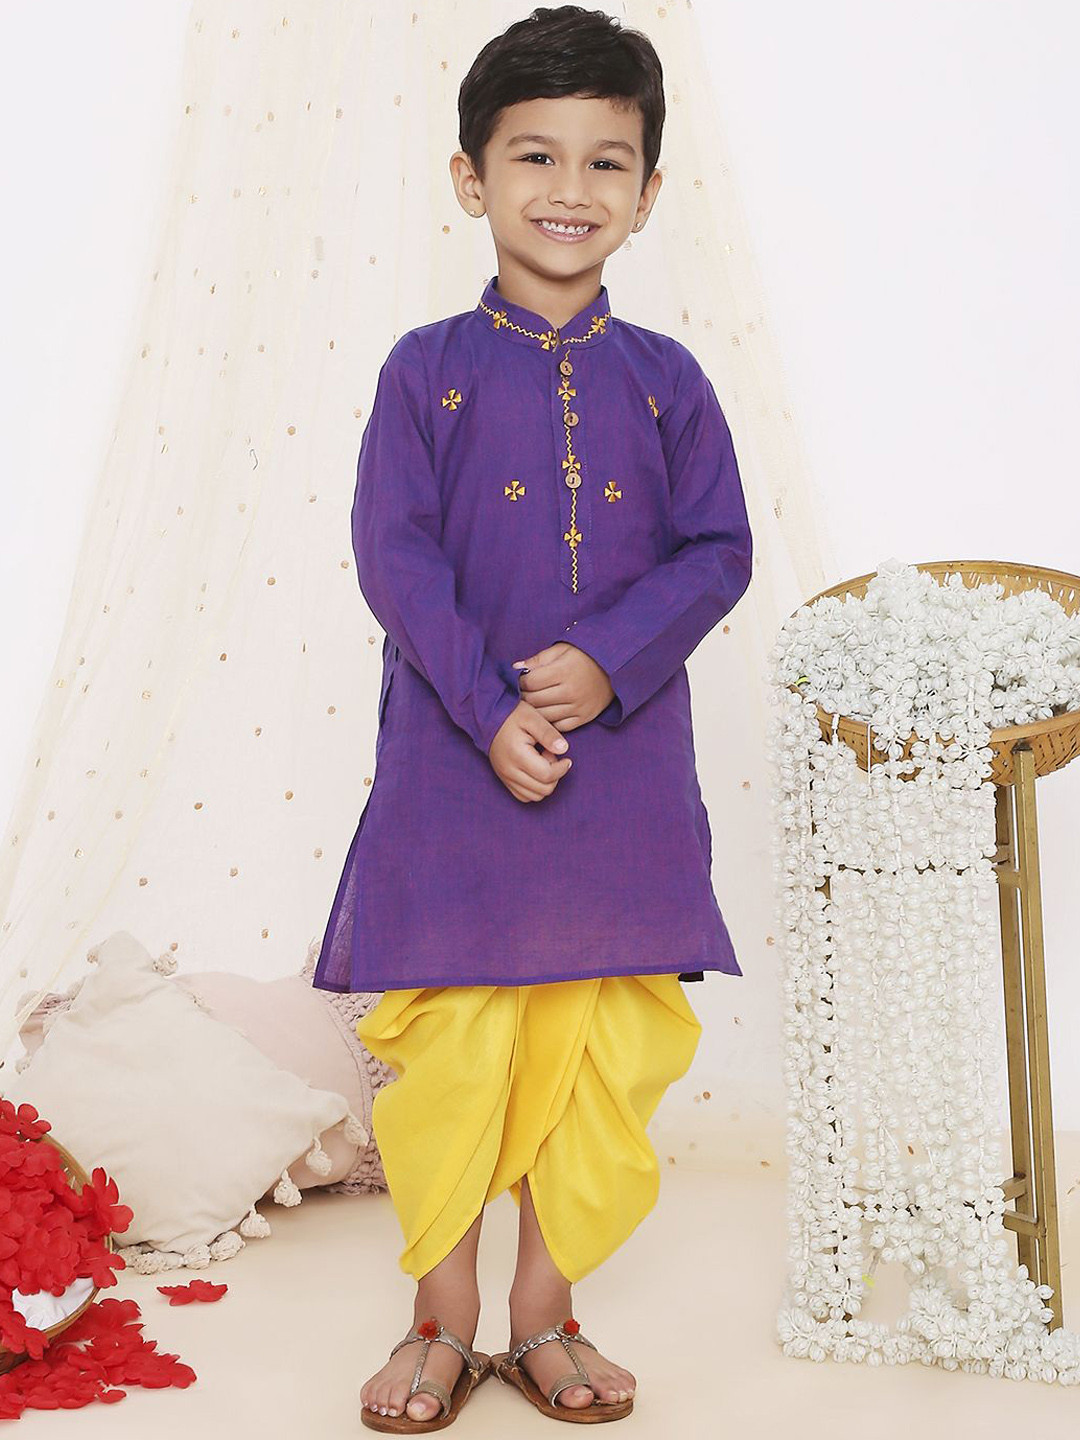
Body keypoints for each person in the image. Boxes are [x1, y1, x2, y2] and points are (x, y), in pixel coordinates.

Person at [312, 5, 754, 1428]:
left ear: (648, 192)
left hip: (621, 771)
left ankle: (545, 1315)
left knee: (600, 1047)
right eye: (535, 156)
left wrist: (610, 661)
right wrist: (485, 703)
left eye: (605, 161)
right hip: (451, 761)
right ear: (471, 178)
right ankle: (439, 1324)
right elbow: (393, 555)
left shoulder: (669, 381)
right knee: (451, 1047)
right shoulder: (423, 369)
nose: (571, 188)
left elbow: (720, 549)